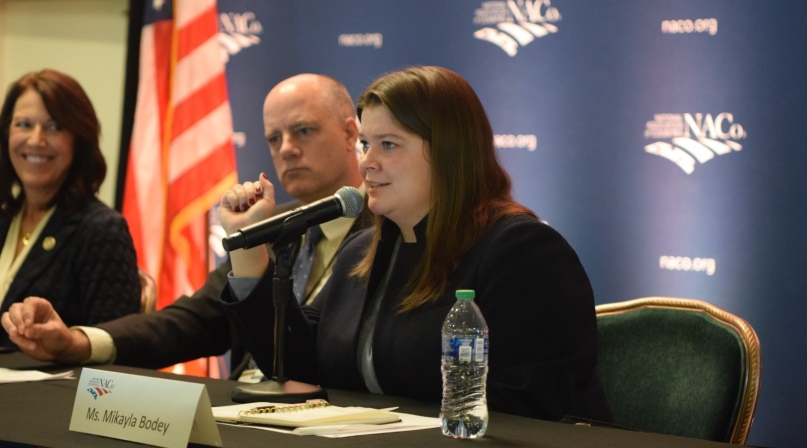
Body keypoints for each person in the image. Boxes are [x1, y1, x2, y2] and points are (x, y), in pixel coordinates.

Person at [219, 66, 612, 422]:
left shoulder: (522, 252)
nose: (367, 163)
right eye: (365, 144)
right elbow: (298, 366)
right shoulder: (360, 253)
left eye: (388, 144)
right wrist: (249, 251)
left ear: (447, 152)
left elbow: (531, 409)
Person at [1, 74, 371, 377]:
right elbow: (193, 322)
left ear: (351, 133)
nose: (286, 148)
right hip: (245, 411)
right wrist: (78, 342)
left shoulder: (391, 229)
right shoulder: (271, 226)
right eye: (274, 138)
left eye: (303, 131)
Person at [0, 69, 140, 348]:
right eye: (24, 124)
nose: (36, 140)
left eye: (54, 127)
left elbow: (117, 351)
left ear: (78, 140)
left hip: (51, 390)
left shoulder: (101, 230)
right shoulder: (5, 217)